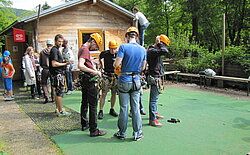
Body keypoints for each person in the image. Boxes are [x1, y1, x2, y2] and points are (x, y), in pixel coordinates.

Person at [113, 26, 146, 141]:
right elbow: (143, 67)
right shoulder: (143, 49)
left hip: (124, 80)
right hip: (136, 80)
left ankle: (122, 132)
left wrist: (117, 65)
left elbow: (117, 64)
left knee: (123, 107)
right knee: (135, 107)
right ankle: (137, 132)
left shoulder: (123, 47)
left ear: (127, 36)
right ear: (136, 37)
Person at [78, 33, 107, 137]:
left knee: (84, 102)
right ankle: (93, 130)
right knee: (93, 105)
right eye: (96, 46)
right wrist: (95, 72)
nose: (95, 48)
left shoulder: (82, 48)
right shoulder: (85, 50)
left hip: (85, 79)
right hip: (90, 80)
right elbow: (80, 65)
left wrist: (92, 63)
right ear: (93, 41)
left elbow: (85, 63)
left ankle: (84, 123)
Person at [147, 34, 170, 127]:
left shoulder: (155, 50)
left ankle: (155, 113)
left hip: (157, 75)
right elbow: (165, 51)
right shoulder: (152, 50)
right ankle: (152, 119)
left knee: (155, 98)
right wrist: (159, 43)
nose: (163, 47)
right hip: (154, 76)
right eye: (163, 45)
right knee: (153, 99)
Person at [49, 34, 71, 117]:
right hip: (57, 74)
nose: (60, 43)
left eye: (62, 41)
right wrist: (65, 63)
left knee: (57, 92)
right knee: (59, 92)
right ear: (55, 41)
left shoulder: (57, 50)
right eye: (59, 41)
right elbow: (54, 64)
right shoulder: (54, 50)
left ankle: (58, 108)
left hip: (56, 73)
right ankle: (61, 111)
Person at [97, 40, 119, 119]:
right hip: (106, 75)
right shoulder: (105, 53)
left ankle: (112, 109)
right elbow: (100, 57)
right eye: (111, 49)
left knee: (114, 93)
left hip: (115, 76)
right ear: (109, 48)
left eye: (114, 49)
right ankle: (101, 110)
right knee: (104, 93)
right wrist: (101, 65)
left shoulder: (118, 54)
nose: (113, 50)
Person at [40, 39, 54, 104]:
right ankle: (53, 98)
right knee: (53, 84)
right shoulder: (53, 51)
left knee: (44, 83)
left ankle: (46, 97)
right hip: (52, 69)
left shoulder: (42, 52)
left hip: (45, 69)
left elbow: (40, 62)